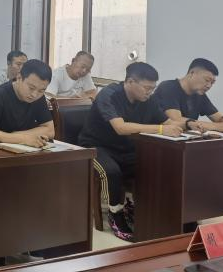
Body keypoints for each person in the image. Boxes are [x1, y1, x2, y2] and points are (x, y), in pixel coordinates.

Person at [79, 62, 184, 242]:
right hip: (95, 146)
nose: (150, 92)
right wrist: (160, 130)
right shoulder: (109, 94)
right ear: (130, 82)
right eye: (147, 88)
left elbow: (167, 122)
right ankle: (115, 213)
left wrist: (191, 126)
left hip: (126, 148)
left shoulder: (148, 100)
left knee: (155, 165)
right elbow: (120, 128)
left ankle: (144, 209)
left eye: (153, 88)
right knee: (112, 172)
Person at [0, 59, 55, 147]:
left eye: (41, 90)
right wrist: (22, 139)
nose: (34, 95)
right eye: (31, 88)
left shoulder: (39, 97)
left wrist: (19, 136)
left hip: (26, 149)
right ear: (19, 77)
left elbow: (50, 130)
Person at [153, 58, 223, 133]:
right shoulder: (168, 87)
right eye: (207, 80)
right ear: (192, 73)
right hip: (159, 138)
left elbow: (219, 119)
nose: (209, 86)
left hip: (185, 138)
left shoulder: (199, 94)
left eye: (212, 83)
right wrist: (217, 126)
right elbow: (175, 120)